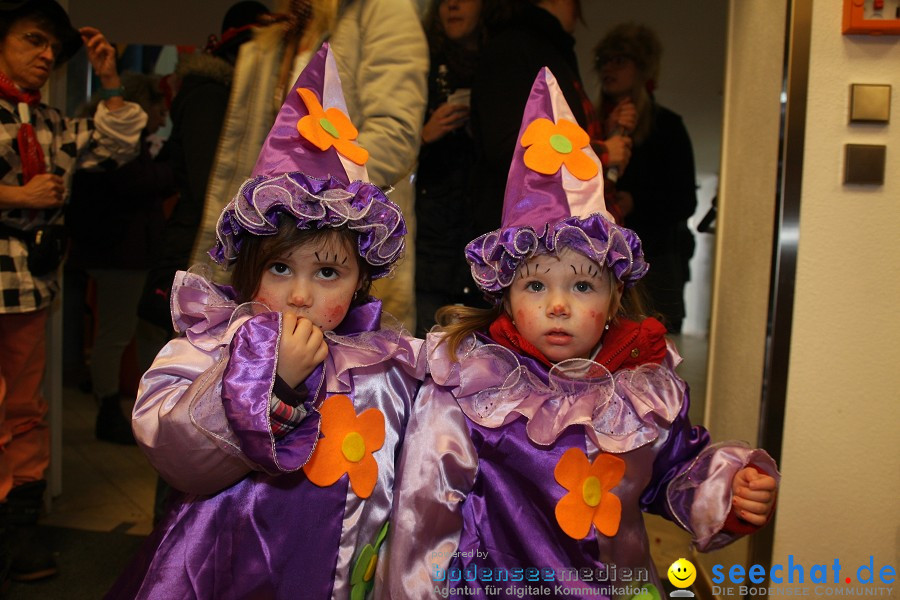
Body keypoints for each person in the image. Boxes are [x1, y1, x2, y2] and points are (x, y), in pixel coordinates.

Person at [385, 68, 779, 599]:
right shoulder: (471, 387)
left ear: (616, 296)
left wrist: (727, 489)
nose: (558, 305)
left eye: (583, 285)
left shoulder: (642, 389)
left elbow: (675, 470)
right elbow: (423, 514)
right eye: (534, 286)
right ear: (503, 293)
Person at [106, 44, 422, 600]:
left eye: (328, 272)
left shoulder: (387, 362)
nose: (299, 295)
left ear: (361, 280)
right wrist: (271, 384)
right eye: (280, 267)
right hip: (227, 573)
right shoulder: (213, 343)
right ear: (249, 267)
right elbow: (178, 456)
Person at [0, 0, 146, 582]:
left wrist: (110, 78)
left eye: (52, 50)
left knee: (26, 411)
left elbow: (117, 142)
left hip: (30, 287)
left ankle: (18, 536)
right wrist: (18, 198)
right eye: (32, 40)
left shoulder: (49, 121)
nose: (44, 56)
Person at [189, 0, 427, 331]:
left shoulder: (379, 9)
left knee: (341, 372)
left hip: (336, 239)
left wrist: (324, 205)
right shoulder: (280, 29)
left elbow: (394, 134)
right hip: (272, 244)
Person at [66, 72, 174, 445]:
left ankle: (114, 408)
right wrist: (175, 168)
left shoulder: (106, 140)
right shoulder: (121, 147)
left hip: (112, 251)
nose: (162, 116)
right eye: (159, 107)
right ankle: (109, 412)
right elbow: (137, 183)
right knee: (115, 334)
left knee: (116, 332)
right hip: (119, 253)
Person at [469, 0, 633, 240]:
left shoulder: (547, 50)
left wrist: (600, 134)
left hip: (548, 240)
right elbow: (511, 147)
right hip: (529, 242)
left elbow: (549, 131)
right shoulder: (515, 47)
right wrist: (602, 152)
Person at [595, 23, 698, 334]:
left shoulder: (667, 127)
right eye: (604, 60)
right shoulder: (588, 129)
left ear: (641, 69)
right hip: (601, 260)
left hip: (656, 262)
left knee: (652, 352)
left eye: (620, 60)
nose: (608, 68)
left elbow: (684, 201)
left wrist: (636, 202)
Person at [414, 0, 485, 335]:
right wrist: (423, 136)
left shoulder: (504, 69)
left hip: (484, 245)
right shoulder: (418, 66)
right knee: (427, 352)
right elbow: (386, 157)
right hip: (430, 249)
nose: (452, 5)